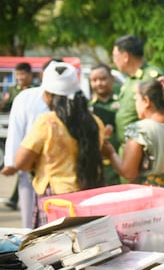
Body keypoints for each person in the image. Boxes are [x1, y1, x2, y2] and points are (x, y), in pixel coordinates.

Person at [14, 62, 105, 227]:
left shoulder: (47, 122)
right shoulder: (95, 122)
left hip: (55, 200)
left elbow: (21, 162)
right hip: (87, 194)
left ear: (48, 95)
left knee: (55, 242)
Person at [103, 78, 164, 231]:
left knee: (154, 242)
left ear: (146, 101)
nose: (136, 105)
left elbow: (129, 172)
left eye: (137, 100)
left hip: (154, 201)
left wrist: (111, 154)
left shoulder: (141, 130)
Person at [1, 61, 54, 227]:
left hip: (60, 169)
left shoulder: (73, 97)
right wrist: (11, 162)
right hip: (31, 164)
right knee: (30, 219)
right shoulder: (26, 97)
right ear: (43, 74)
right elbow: (16, 130)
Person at [112, 34, 164, 140]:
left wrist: (162, 131)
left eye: (115, 56)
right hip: (128, 145)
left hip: (147, 144)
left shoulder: (150, 76)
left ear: (125, 57)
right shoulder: (129, 80)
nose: (114, 60)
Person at [89, 63, 122, 186]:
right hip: (98, 166)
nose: (99, 83)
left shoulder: (123, 102)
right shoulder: (88, 107)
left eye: (103, 79)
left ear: (112, 79)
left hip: (122, 160)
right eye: (94, 80)